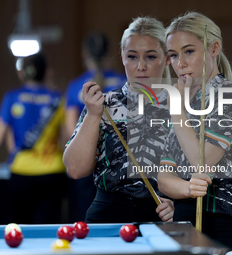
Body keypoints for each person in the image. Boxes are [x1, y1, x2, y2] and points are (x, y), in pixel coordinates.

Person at [157, 12, 232, 254]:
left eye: (189, 51)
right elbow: (164, 177)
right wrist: (187, 190)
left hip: (227, 225)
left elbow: (201, 162)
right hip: (184, 224)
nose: (179, 63)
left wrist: (177, 112)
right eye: (173, 54)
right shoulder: (183, 101)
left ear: (214, 49)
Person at [63, 17, 174, 223]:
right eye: (132, 57)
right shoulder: (103, 104)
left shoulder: (182, 107)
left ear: (167, 58)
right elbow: (75, 169)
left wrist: (179, 204)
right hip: (108, 214)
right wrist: (93, 115)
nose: (141, 66)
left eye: (150, 57)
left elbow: (198, 174)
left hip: (162, 215)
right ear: (122, 57)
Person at [0, 52, 67, 224]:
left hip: (21, 173)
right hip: (52, 174)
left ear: (22, 73)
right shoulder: (58, 99)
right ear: (47, 71)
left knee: (20, 232)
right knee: (50, 233)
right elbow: (65, 141)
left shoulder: (11, 98)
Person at [65, 32, 126, 222]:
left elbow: (70, 132)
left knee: (84, 222)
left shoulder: (76, 86)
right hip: (118, 166)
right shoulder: (125, 82)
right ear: (111, 53)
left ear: (85, 54)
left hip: (86, 163)